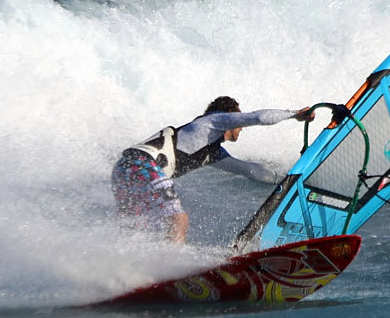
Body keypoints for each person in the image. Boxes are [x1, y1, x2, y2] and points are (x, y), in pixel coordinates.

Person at [111, 96, 312, 243]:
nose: (240, 127)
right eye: (238, 120)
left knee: (137, 227)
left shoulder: (210, 151)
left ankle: (129, 268)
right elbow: (258, 118)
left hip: (125, 169)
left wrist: (283, 179)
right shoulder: (213, 120)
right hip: (143, 164)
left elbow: (249, 170)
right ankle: (170, 267)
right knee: (178, 219)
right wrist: (294, 115)